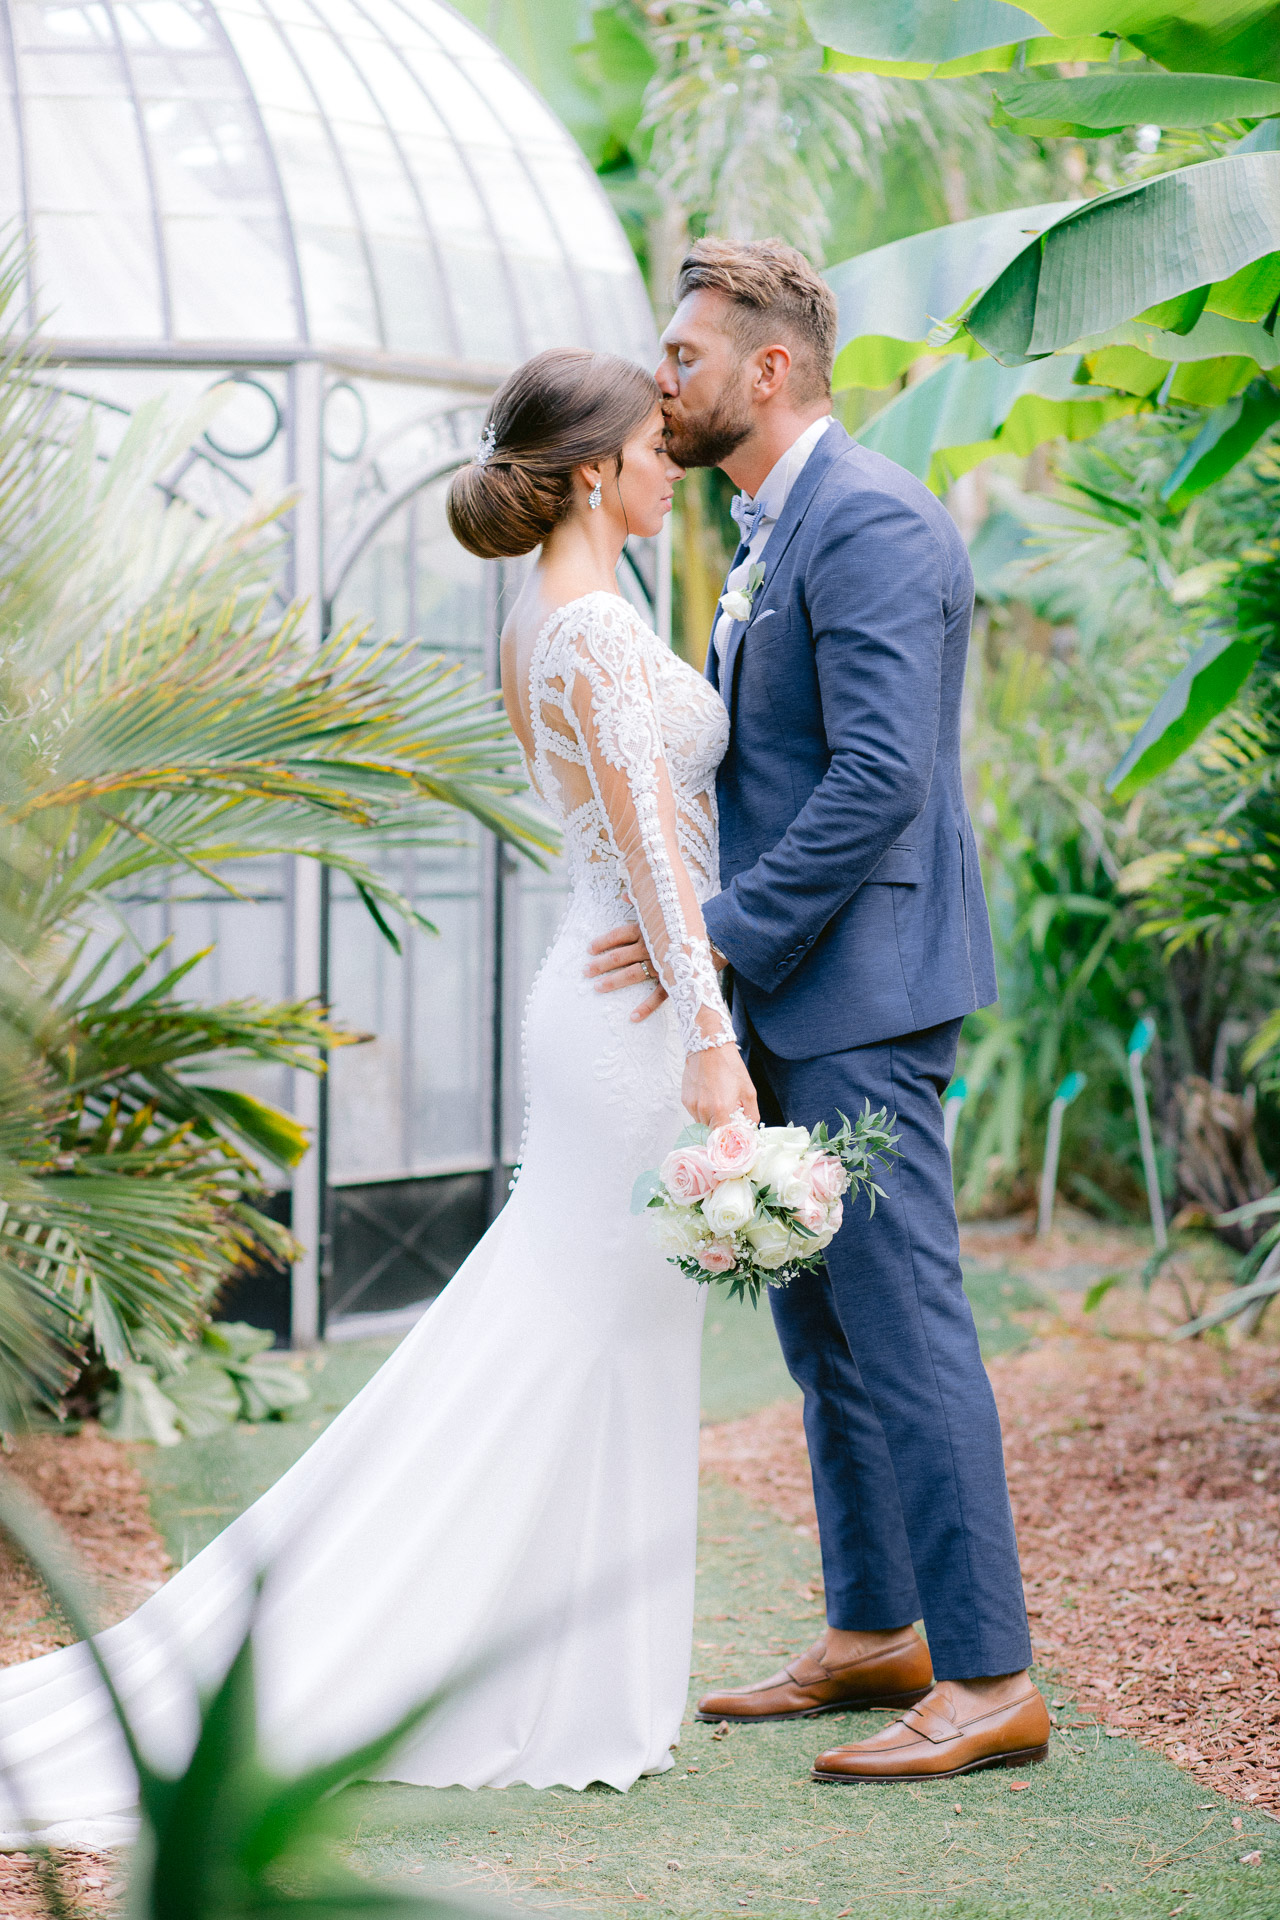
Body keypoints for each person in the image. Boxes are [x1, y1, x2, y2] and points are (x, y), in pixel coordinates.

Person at [0, 349, 756, 1847]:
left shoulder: (542, 619)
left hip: (602, 991)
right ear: (596, 470)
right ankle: (524, 1672)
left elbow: (639, 837)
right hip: (635, 1018)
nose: (678, 462)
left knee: (574, 1334)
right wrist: (710, 1036)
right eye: (656, 448)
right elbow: (657, 855)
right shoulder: (593, 631)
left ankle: (565, 1659)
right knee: (569, 1340)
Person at [588, 239, 1051, 1783]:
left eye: (685, 356)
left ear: (767, 368)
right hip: (794, 993)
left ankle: (990, 1676)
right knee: (824, 1329)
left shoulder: (873, 524)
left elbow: (878, 782)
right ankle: (878, 1632)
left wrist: (707, 942)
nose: (664, 381)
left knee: (907, 1327)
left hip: (863, 990)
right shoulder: (773, 530)